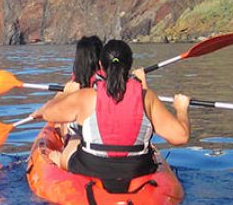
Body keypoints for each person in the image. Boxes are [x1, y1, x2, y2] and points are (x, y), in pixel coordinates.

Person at [33, 39, 190, 192]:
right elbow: (181, 137)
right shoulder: (147, 97)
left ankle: (58, 160)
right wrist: (181, 108)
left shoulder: (86, 97)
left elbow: (48, 114)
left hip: (91, 168)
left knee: (74, 141)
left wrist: (64, 94)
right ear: (129, 64)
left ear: (101, 65)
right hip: (138, 169)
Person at [54, 35, 102, 166]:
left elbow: (50, 111)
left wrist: (64, 93)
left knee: (60, 121)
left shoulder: (75, 84)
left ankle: (62, 150)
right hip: (106, 140)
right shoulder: (113, 81)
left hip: (81, 141)